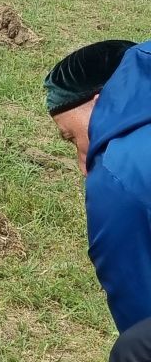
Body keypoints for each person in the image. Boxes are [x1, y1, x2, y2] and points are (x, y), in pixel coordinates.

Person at [45, 39, 151, 361]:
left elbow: (140, 308)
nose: (82, 160)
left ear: (99, 100)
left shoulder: (115, 176)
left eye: (72, 137)